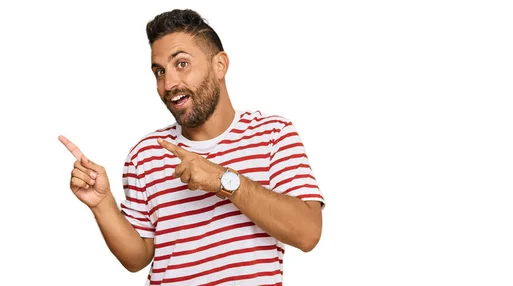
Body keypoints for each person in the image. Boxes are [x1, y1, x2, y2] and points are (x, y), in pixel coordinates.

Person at [58, 8, 325, 285]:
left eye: (181, 64)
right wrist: (102, 205)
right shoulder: (146, 153)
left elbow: (307, 233)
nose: (169, 83)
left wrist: (223, 180)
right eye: (159, 71)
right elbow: (137, 258)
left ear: (219, 65)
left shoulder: (273, 134)